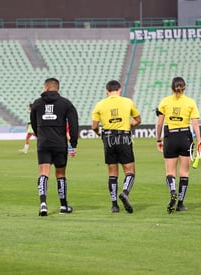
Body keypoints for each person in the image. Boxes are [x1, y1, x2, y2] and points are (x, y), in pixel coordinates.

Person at [30, 78, 79, 216]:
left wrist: (40, 135)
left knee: (43, 172)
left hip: (43, 143)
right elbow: (74, 124)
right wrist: (73, 144)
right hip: (59, 143)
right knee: (61, 174)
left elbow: (33, 122)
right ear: (57, 88)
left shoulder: (37, 103)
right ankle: (63, 206)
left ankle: (43, 204)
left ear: (46, 87)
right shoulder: (66, 103)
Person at [91, 80, 141, 213]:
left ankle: (114, 205)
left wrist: (99, 133)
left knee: (112, 173)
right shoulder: (128, 101)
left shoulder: (100, 104)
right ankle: (125, 192)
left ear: (107, 91)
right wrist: (128, 125)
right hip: (124, 137)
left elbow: (94, 126)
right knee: (130, 171)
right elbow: (138, 119)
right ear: (119, 90)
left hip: (108, 138)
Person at [156, 77, 201, 214]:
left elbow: (159, 123)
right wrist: (199, 141)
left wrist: (158, 139)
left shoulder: (165, 101)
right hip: (185, 137)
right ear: (184, 88)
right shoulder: (190, 102)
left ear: (172, 87)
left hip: (170, 136)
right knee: (184, 172)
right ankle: (180, 203)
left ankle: (173, 191)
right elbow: (195, 124)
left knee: (170, 172)